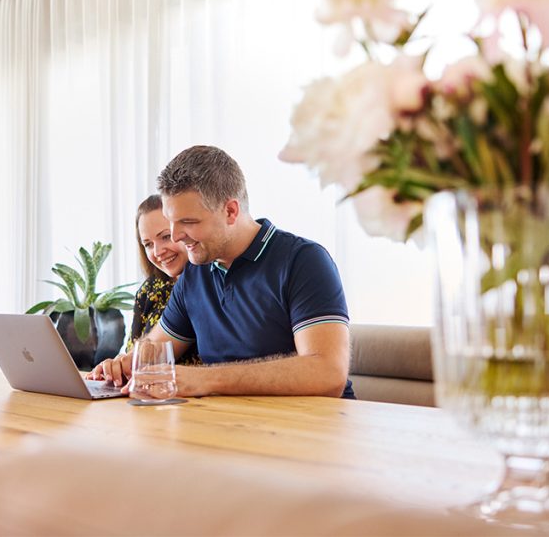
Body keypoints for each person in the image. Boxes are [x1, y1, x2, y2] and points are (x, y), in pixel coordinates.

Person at [89, 145, 353, 399]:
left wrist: (204, 379)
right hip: (233, 425)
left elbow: (328, 373)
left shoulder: (303, 261)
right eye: (172, 222)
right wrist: (122, 365)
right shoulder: (196, 272)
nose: (176, 236)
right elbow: (155, 348)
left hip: (313, 431)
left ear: (230, 211)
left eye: (188, 222)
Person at [126, 194, 200, 364]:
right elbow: (133, 357)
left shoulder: (209, 285)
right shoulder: (149, 290)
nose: (158, 252)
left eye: (166, 236)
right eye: (148, 244)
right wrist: (113, 366)